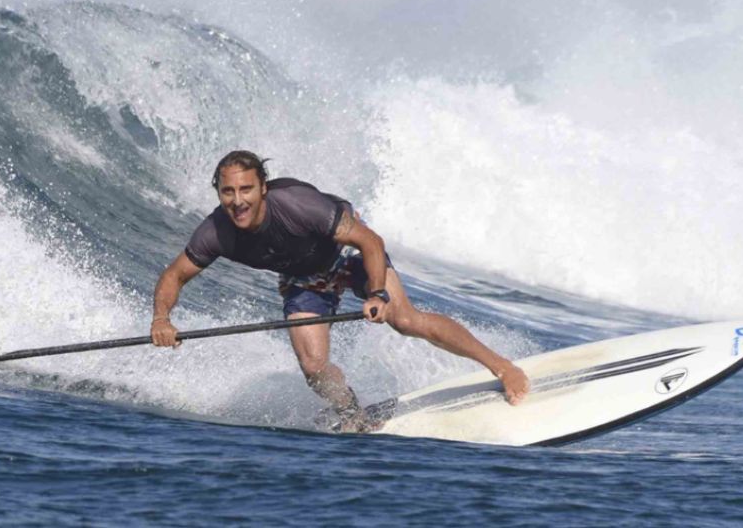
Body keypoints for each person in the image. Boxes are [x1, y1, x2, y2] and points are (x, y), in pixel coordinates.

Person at [150, 150, 530, 432]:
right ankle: (352, 413)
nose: (237, 201)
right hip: (304, 279)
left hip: (348, 256)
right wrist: (162, 319)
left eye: (246, 189)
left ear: (263, 188)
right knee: (314, 367)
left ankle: (503, 367)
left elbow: (371, 242)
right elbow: (174, 276)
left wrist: (378, 294)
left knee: (406, 319)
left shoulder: (299, 206)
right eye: (227, 191)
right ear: (218, 192)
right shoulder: (216, 231)